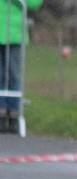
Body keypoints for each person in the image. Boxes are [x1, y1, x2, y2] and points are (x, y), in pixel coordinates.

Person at [1, 0, 42, 133]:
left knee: (14, 74)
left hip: (15, 34)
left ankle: (14, 113)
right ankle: (1, 112)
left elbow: (35, 3)